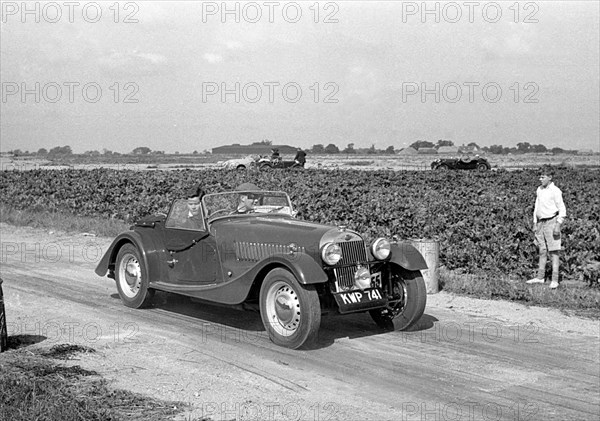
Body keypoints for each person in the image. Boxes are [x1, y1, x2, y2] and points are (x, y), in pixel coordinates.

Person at [526, 168, 566, 289]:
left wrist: (558, 225)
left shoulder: (555, 191)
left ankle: (555, 280)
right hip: (540, 223)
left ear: (550, 177)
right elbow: (536, 206)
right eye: (540, 177)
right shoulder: (539, 189)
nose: (540, 179)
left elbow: (562, 210)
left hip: (552, 221)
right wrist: (535, 222)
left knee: (554, 251)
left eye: (543, 177)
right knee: (542, 250)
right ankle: (540, 277)